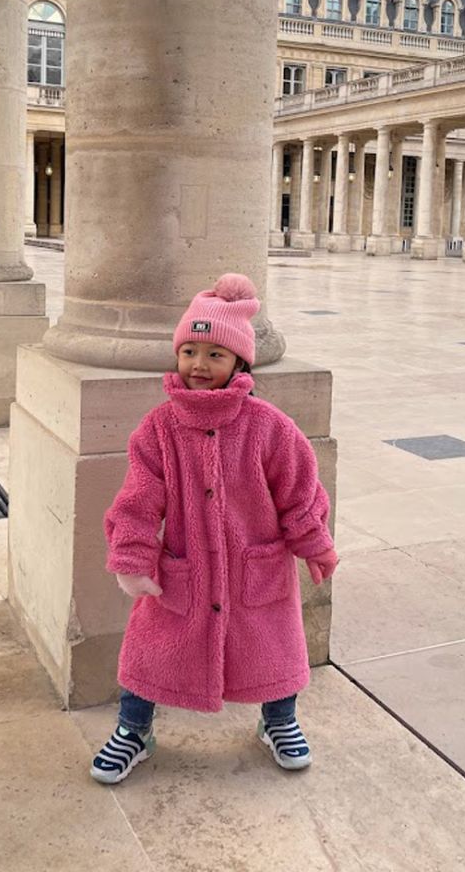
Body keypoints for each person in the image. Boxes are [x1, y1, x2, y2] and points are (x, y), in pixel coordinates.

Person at [90, 273, 338, 785]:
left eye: (215, 355)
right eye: (189, 351)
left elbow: (299, 490)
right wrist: (134, 558)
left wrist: (314, 543)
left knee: (273, 648)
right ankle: (134, 728)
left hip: (257, 570)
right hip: (183, 572)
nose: (199, 365)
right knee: (148, 650)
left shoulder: (269, 427)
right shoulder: (159, 428)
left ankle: (280, 720)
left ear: (239, 363)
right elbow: (137, 500)